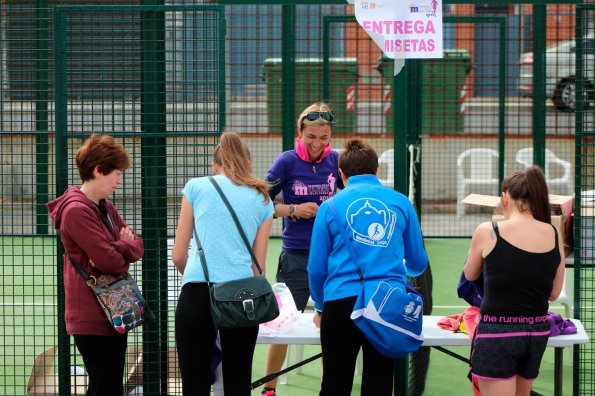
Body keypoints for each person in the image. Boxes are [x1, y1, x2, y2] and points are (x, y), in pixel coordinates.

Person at [308, 139, 428, 396]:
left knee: (334, 385)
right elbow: (418, 263)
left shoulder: (329, 207)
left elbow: (316, 269)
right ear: (377, 170)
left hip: (339, 303)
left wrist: (320, 305)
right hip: (386, 302)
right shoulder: (401, 203)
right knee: (379, 385)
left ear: (341, 174)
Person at [172, 132, 274, 396]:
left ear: (215, 165)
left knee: (194, 384)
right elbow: (257, 268)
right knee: (238, 380)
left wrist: (196, 277)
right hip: (242, 296)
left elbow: (178, 255)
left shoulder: (196, 187)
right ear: (247, 163)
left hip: (197, 292)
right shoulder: (263, 198)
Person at [47, 134, 143, 396]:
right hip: (92, 314)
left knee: (108, 384)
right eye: (116, 173)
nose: (120, 180)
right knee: (105, 385)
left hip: (112, 311)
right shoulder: (76, 211)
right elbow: (109, 260)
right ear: (98, 170)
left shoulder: (104, 206)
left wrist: (120, 247)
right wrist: (121, 247)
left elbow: (137, 245)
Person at [261, 102, 343, 396]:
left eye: (324, 137)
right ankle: (269, 388)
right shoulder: (285, 162)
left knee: (331, 326)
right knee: (283, 323)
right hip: (295, 256)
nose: (318, 144)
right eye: (311, 137)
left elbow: (351, 200)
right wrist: (293, 209)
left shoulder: (336, 161)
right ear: (300, 132)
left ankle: (329, 387)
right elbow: (260, 204)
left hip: (333, 257)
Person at [463, 166, 565, 396]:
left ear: (505, 197)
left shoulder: (488, 230)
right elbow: (554, 293)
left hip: (498, 333)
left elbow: (469, 275)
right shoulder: (554, 233)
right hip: (536, 333)